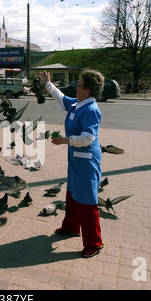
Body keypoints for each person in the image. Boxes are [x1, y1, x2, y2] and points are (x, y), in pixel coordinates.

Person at [39, 69, 105, 258]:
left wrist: (64, 140)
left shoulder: (91, 110)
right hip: (76, 158)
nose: (76, 87)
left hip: (87, 160)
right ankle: (71, 227)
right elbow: (61, 99)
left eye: (80, 84)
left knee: (87, 199)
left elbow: (87, 138)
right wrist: (48, 83)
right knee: (73, 192)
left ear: (87, 90)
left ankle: (94, 242)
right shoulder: (78, 104)